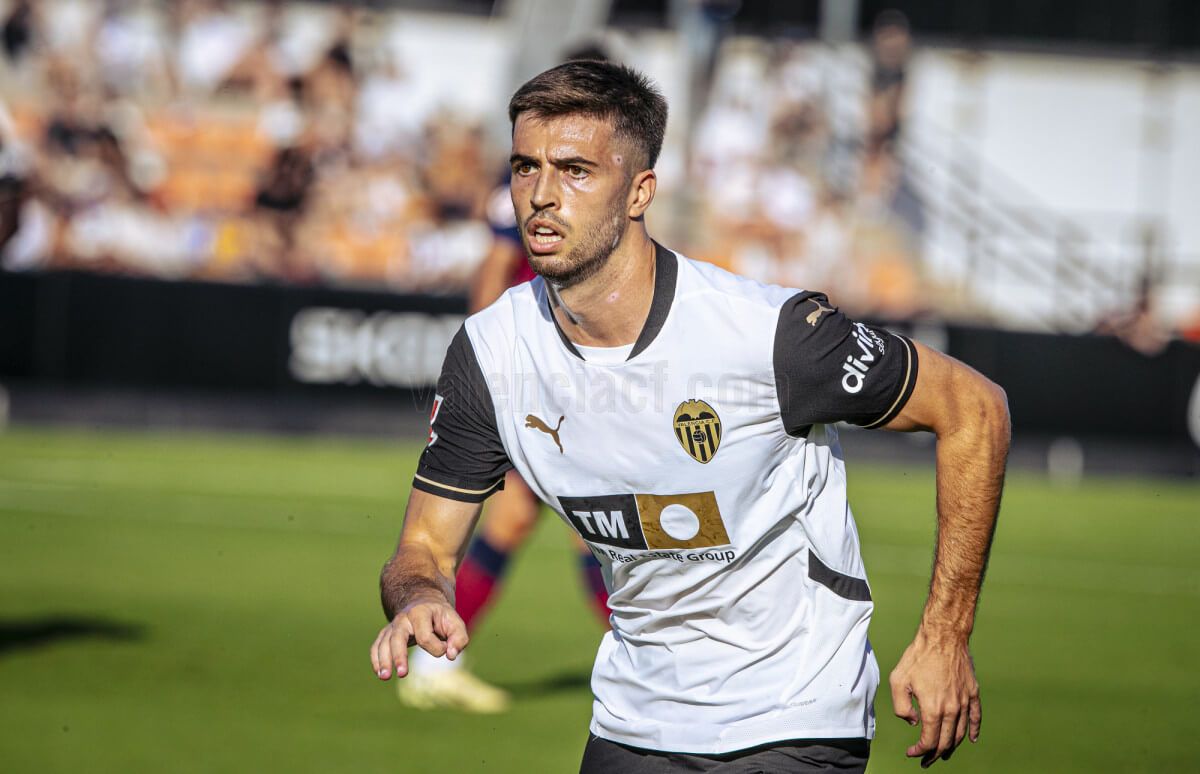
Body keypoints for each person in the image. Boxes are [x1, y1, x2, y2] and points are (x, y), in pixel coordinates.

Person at [370, 60, 1010, 772]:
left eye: (575, 170)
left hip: (792, 718)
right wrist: (418, 597)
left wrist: (946, 635)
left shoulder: (771, 335)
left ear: (641, 191)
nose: (542, 195)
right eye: (525, 167)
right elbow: (423, 548)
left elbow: (975, 408)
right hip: (632, 722)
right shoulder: (489, 353)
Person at [395, 178, 611, 714]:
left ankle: (434, 664)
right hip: (532, 377)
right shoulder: (519, 194)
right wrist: (492, 370)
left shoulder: (566, 189)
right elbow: (493, 272)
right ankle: (657, 658)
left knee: (524, 522)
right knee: (590, 527)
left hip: (560, 377)